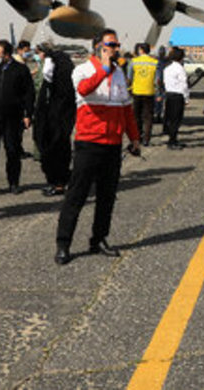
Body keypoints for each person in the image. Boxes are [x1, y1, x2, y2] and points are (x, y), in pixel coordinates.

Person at [55, 29, 140, 265]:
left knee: (107, 197)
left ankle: (99, 239)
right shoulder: (83, 70)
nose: (115, 49)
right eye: (110, 45)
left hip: (113, 145)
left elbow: (126, 109)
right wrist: (102, 69)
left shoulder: (120, 73)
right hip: (88, 143)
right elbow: (83, 90)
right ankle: (63, 244)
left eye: (116, 45)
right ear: (98, 48)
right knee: (77, 196)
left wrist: (134, 138)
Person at [0, 40, 35, 195]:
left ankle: (14, 183)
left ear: (7, 55)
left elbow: (29, 93)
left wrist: (28, 114)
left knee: (13, 151)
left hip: (13, 118)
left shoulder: (20, 70)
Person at [33, 47, 76, 197]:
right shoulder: (52, 85)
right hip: (52, 124)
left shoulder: (62, 88)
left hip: (55, 126)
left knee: (56, 151)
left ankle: (58, 183)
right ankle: (58, 181)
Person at [128, 43, 159, 145]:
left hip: (136, 91)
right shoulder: (155, 62)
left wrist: (128, 90)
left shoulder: (134, 62)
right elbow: (157, 80)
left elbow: (129, 78)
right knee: (148, 117)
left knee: (136, 116)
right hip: (149, 92)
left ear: (140, 50)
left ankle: (138, 137)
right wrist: (158, 93)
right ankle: (147, 139)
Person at [162, 47, 189, 149]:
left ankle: (173, 139)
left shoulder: (167, 68)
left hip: (169, 94)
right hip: (178, 96)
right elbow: (184, 85)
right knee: (176, 120)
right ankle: (172, 141)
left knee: (170, 118)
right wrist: (186, 98)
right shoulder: (180, 69)